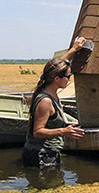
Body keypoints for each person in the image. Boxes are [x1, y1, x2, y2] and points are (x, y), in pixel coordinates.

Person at [22, 37, 86, 167]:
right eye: (68, 77)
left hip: (50, 152)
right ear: (57, 79)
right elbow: (37, 132)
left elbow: (57, 66)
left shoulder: (51, 89)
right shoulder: (45, 101)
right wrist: (63, 131)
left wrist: (74, 49)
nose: (69, 80)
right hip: (40, 155)